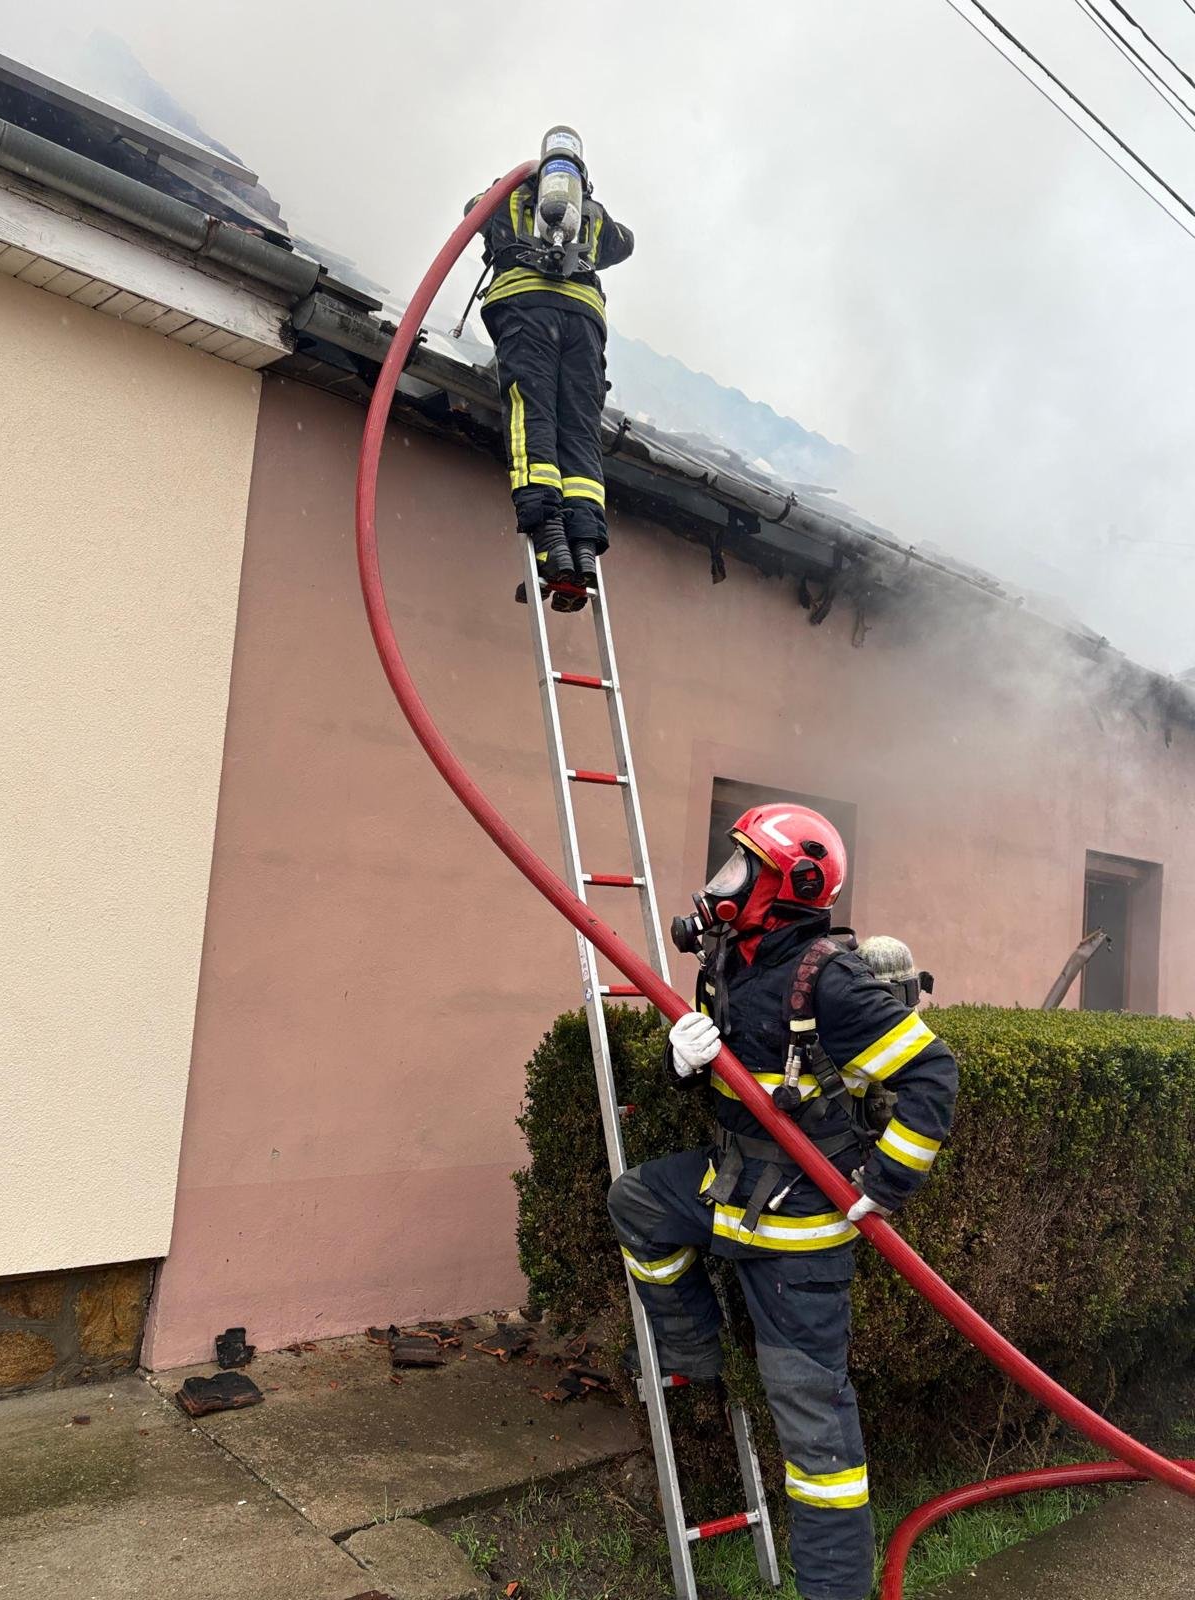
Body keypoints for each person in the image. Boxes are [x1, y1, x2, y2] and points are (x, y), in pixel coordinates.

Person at [607, 803, 958, 1600]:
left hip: (800, 1228)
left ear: (790, 886)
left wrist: (886, 1185)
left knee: (813, 1425)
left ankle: (833, 1590)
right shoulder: (737, 961)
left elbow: (933, 1074)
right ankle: (693, 1356)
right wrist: (684, 1062)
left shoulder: (830, 979)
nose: (722, 884)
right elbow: (741, 1074)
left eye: (742, 868)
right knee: (638, 1202)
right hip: (731, 1182)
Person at [466, 126, 633, 611]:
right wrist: (591, 210)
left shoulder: (510, 198)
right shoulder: (594, 218)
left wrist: (510, 188)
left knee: (531, 415)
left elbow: (470, 210)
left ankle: (549, 545)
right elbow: (626, 243)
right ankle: (583, 549)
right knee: (579, 432)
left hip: (526, 312)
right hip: (583, 322)